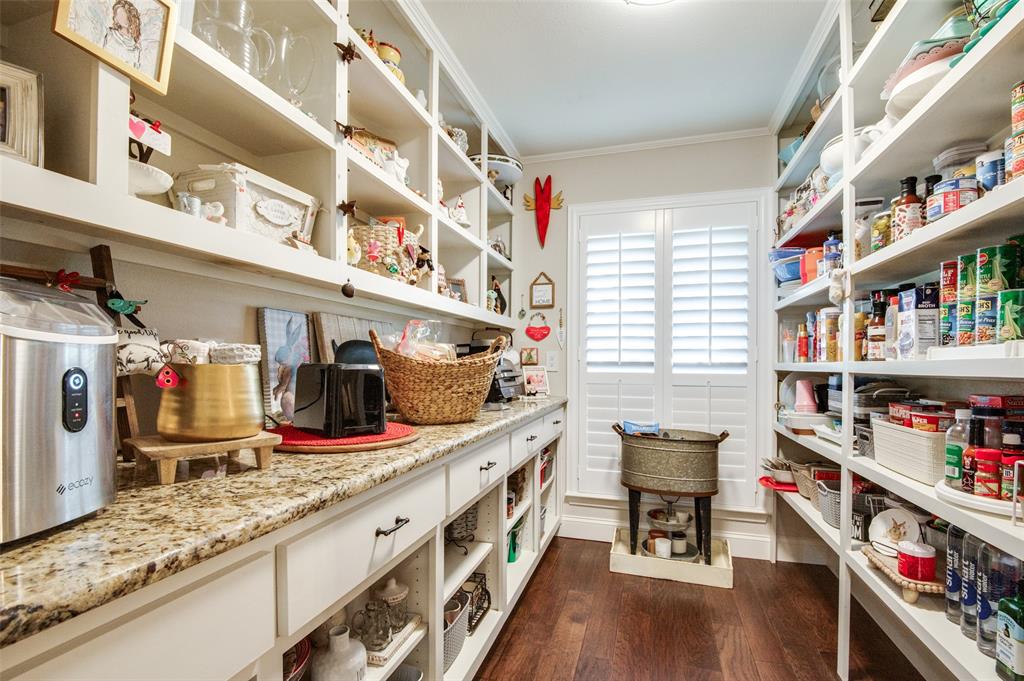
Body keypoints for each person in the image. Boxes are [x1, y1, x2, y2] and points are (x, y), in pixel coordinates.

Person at [103, 0, 142, 70]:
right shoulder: (111, 36)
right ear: (116, 18)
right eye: (121, 15)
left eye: (126, 14)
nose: (125, 18)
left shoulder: (136, 46)